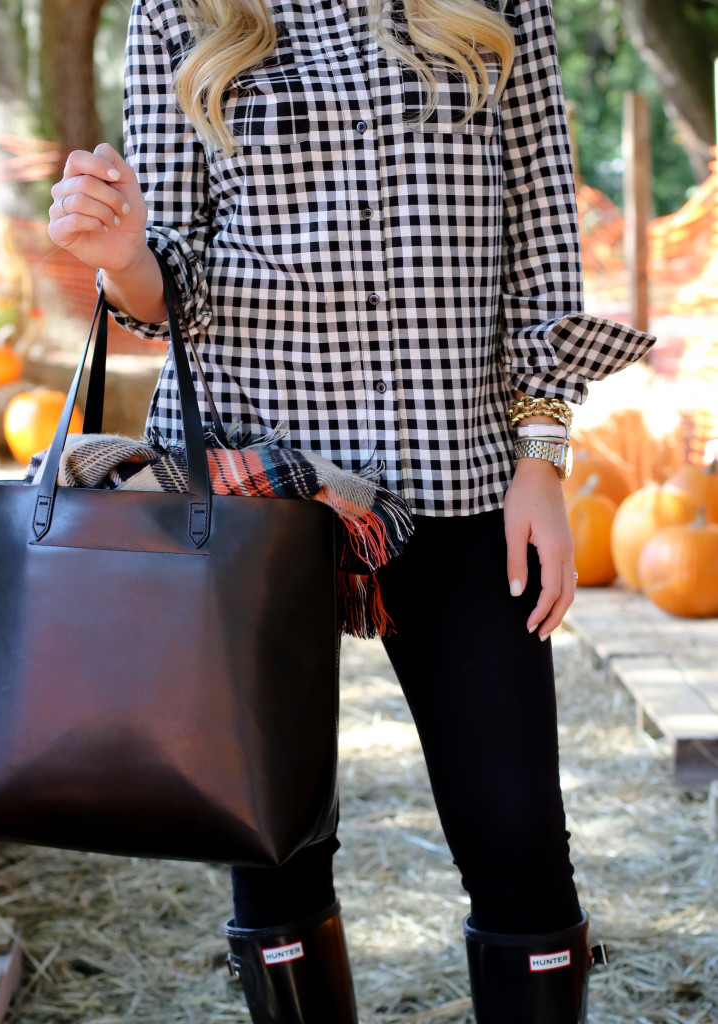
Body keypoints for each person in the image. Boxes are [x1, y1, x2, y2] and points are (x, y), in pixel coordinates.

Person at [47, 0, 654, 1019]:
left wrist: (542, 456)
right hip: (258, 484)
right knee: (273, 840)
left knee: (518, 841)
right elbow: (170, 286)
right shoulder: (180, 11)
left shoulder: (501, 8)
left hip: (456, 470)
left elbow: (544, 246)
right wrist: (121, 252)